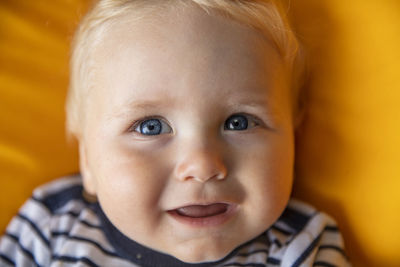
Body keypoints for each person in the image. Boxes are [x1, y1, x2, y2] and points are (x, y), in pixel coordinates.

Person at [0, 0, 351, 266]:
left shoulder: (301, 246)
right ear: (87, 159)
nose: (201, 165)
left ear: (295, 136)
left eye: (239, 122)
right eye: (150, 127)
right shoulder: (50, 227)